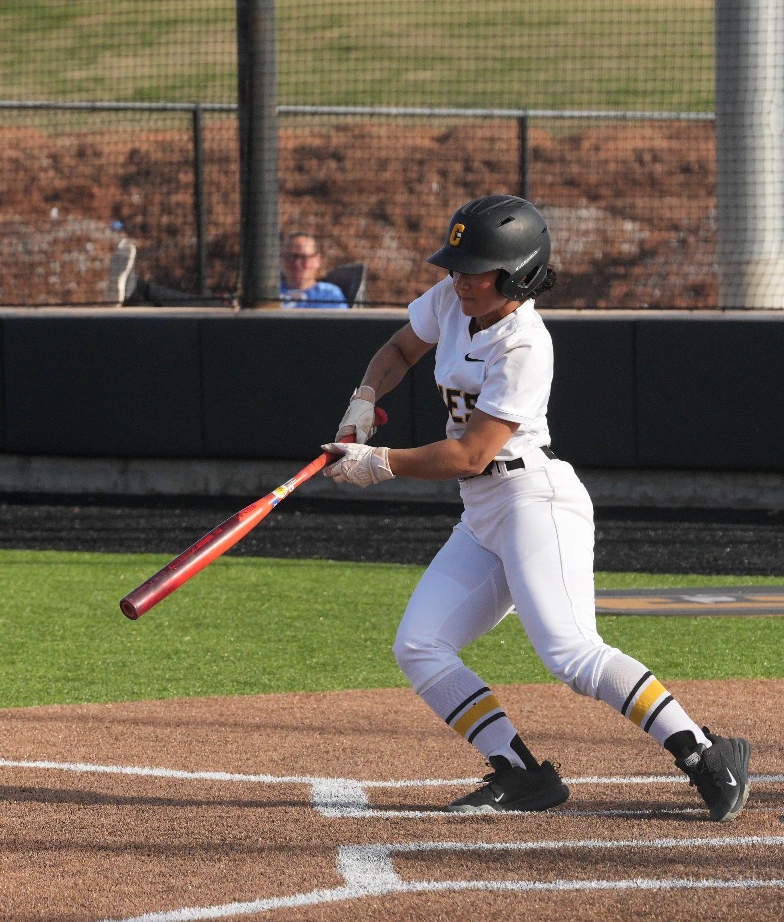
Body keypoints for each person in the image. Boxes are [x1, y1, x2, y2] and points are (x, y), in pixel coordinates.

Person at [320, 195, 752, 819]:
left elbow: (472, 453)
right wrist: (364, 397)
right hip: (484, 512)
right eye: (457, 266)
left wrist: (379, 463)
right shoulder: (451, 301)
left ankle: (706, 754)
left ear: (517, 272)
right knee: (420, 643)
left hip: (534, 502)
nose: (460, 279)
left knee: (571, 652)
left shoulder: (526, 344)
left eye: (477, 269)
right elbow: (397, 352)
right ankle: (521, 773)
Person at [280, 232, 348, 309]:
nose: (296, 263)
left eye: (304, 257)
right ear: (282, 260)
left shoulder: (329, 294)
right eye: (290, 257)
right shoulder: (269, 292)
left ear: (317, 260)